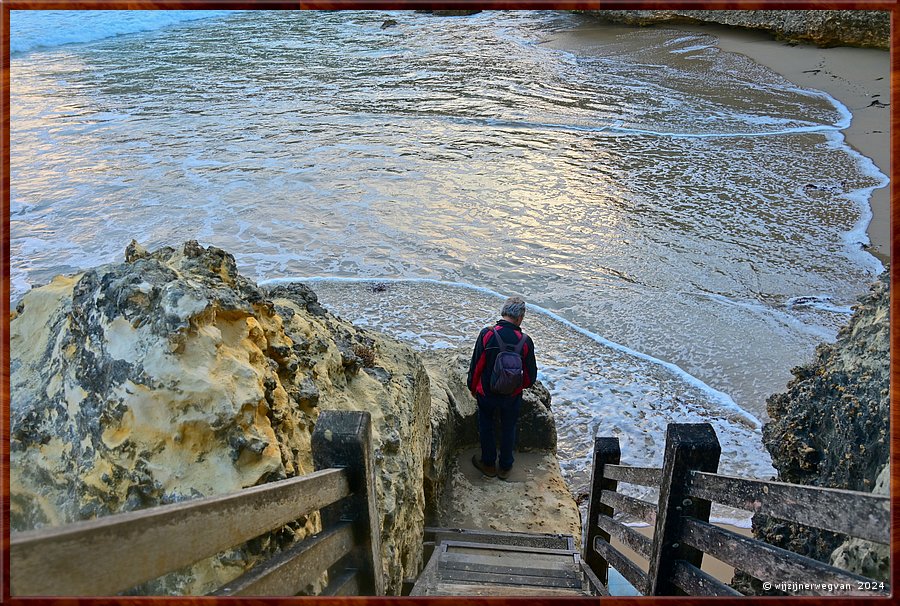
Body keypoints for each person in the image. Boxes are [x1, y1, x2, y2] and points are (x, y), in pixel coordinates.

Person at [466, 296, 538, 480]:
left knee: (486, 425)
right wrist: (515, 387)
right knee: (509, 427)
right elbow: (530, 378)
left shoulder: (488, 334)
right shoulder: (525, 341)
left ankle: (488, 464)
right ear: (521, 317)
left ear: (504, 312)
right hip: (511, 397)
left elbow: (477, 365)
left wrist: (473, 387)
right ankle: (506, 466)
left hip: (487, 393)